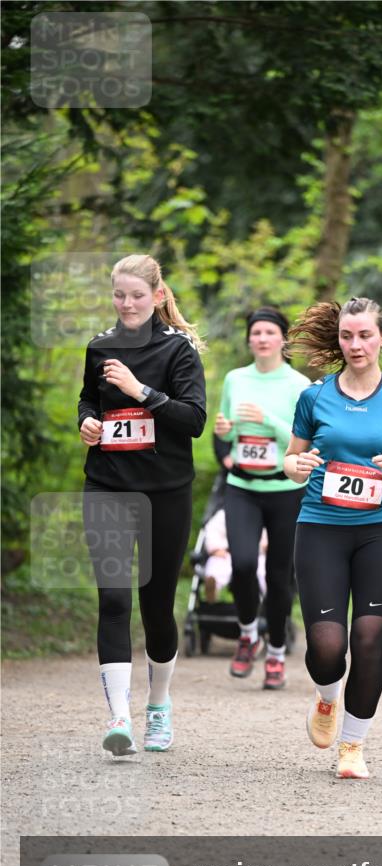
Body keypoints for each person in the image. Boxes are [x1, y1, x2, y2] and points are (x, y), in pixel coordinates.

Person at [284, 297, 382, 779]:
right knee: (328, 647)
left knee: (370, 640)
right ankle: (327, 698)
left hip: (380, 533)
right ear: (339, 339)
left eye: (365, 336)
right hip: (321, 529)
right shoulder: (314, 397)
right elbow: (291, 463)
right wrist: (299, 465)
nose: (356, 345)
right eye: (348, 336)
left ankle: (352, 746)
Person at [78, 254, 206, 756]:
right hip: (108, 485)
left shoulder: (179, 351)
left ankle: (158, 705)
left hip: (165, 493)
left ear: (156, 296)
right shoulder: (99, 347)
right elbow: (90, 400)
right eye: (118, 295)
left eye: (136, 295)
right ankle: (119, 718)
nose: (126, 304)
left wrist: (140, 391)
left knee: (156, 608)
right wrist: (88, 422)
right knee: (113, 599)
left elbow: (193, 419)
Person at [214, 307, 310, 689]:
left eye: (270, 332)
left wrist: (268, 420)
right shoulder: (235, 378)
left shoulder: (300, 385)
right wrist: (224, 437)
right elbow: (222, 430)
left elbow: (306, 442)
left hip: (286, 490)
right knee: (241, 565)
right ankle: (247, 633)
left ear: (283, 340)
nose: (262, 338)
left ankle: (275, 653)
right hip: (242, 488)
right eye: (256, 332)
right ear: (249, 339)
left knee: (279, 576)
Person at [203, 509, 267, 603]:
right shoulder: (223, 515)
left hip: (256, 555)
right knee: (216, 566)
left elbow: (266, 537)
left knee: (263, 571)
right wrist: (215, 549)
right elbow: (211, 531)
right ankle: (213, 587)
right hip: (226, 553)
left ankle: (269, 597)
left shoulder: (260, 515)